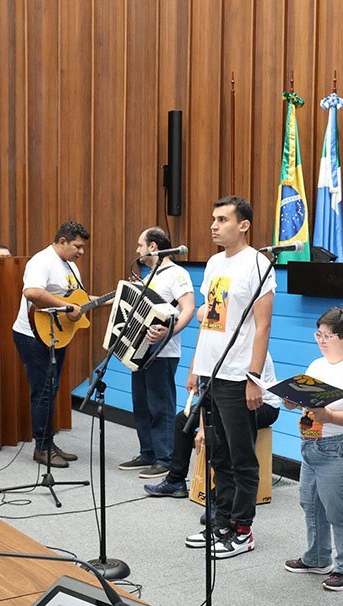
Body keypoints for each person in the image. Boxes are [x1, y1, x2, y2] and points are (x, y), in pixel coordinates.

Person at [183, 195, 274, 559]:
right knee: (217, 454)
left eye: (222, 219)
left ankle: (242, 529)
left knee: (241, 457)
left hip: (238, 375)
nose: (214, 225)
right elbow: (209, 321)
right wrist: (196, 366)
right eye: (213, 219)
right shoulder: (213, 263)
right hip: (211, 371)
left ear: (244, 225)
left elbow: (263, 326)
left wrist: (254, 377)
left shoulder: (258, 264)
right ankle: (220, 523)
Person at [283, 308, 343, 592]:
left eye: (328, 336)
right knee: (310, 502)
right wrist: (293, 400)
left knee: (339, 510)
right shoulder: (318, 365)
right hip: (313, 444)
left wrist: (330, 416)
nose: (321, 341)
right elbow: (308, 400)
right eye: (318, 334)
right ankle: (317, 557)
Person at [143, 356, 280, 501]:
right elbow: (209, 391)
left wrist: (204, 427)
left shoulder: (247, 354)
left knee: (225, 425)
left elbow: (235, 396)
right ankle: (175, 480)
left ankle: (222, 494)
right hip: (227, 401)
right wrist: (193, 374)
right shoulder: (218, 350)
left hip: (263, 405)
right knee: (182, 420)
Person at [117, 228, 196, 479]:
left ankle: (165, 458)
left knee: (160, 405)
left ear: (153, 246)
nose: (137, 250)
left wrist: (168, 333)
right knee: (141, 404)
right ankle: (148, 452)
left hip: (163, 352)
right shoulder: (149, 275)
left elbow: (188, 309)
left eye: (140, 245)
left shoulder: (177, 274)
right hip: (139, 349)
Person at [10, 220, 90, 467]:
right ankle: (42, 448)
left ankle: (49, 443)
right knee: (43, 393)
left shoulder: (70, 265)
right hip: (33, 336)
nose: (81, 252)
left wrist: (111, 299)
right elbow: (32, 292)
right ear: (62, 241)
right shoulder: (41, 261)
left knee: (51, 390)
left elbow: (76, 301)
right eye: (77, 246)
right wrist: (67, 306)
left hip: (56, 335)